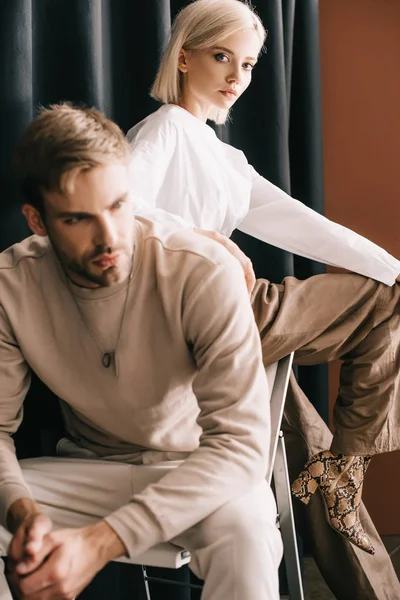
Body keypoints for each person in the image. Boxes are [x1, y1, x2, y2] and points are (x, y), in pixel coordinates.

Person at [126, 0, 400, 597]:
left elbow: (300, 223)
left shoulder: (224, 157)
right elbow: (115, 209)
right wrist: (204, 242)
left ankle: (347, 481)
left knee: (316, 472)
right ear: (183, 55)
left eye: (247, 65)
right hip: (205, 316)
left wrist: (393, 265)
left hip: (233, 338)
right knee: (385, 299)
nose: (235, 78)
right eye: (221, 57)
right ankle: (351, 461)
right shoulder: (165, 130)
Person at [0, 103, 283, 600]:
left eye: (117, 206)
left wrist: (101, 543)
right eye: (77, 218)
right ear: (37, 221)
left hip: (197, 468)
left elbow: (241, 446)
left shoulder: (200, 269)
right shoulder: (10, 284)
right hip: (87, 469)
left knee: (248, 531)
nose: (109, 237)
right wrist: (23, 514)